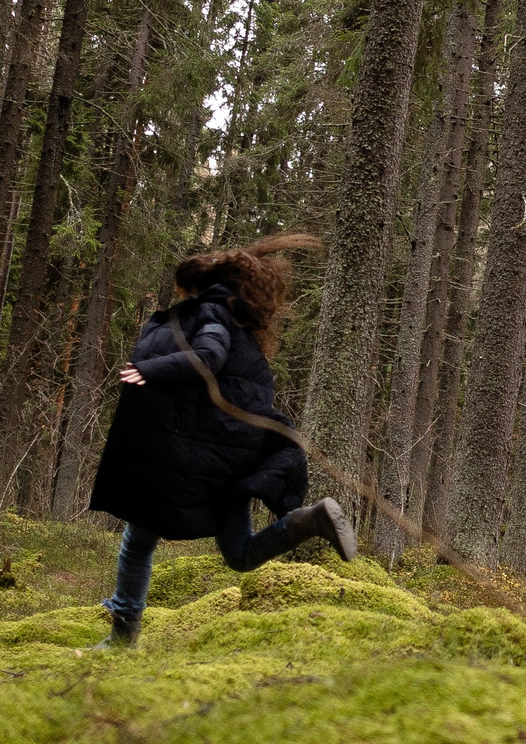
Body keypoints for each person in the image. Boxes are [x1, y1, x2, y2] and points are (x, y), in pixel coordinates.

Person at [87, 233, 354, 647]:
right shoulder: (238, 322)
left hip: (194, 456)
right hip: (227, 460)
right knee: (241, 554)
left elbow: (207, 358)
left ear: (195, 286)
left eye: (180, 292)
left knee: (137, 541)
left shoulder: (211, 313)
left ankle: (122, 638)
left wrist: (152, 370)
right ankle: (308, 521)